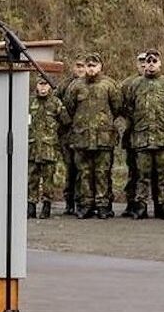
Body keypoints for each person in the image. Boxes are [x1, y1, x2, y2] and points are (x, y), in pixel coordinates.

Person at [119, 49, 164, 219]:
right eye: (148, 62)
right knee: (142, 175)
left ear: (160, 64)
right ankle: (141, 206)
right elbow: (127, 107)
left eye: (155, 62)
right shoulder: (134, 85)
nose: (151, 65)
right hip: (142, 138)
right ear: (144, 64)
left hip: (163, 138)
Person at [64, 52, 121, 218]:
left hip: (104, 138)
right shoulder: (75, 86)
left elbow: (117, 107)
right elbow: (69, 106)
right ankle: (85, 205)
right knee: (84, 172)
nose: (91, 69)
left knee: (103, 172)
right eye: (88, 65)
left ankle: (103, 205)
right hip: (81, 137)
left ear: (100, 67)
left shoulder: (110, 85)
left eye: (94, 65)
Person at [28, 76, 69, 218]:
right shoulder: (29, 102)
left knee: (48, 179)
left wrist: (55, 137)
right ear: (36, 85)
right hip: (32, 146)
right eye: (41, 84)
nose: (43, 88)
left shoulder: (56, 103)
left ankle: (46, 205)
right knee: (31, 178)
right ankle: (31, 205)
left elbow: (65, 122)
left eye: (46, 84)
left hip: (49, 148)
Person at [118, 53, 148, 218]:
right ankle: (131, 204)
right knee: (133, 172)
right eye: (141, 61)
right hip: (133, 135)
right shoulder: (127, 84)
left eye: (146, 61)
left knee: (152, 174)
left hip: (154, 136)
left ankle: (157, 206)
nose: (144, 65)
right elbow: (119, 105)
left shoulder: (162, 83)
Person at [57, 57, 88, 216]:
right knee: (70, 169)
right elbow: (55, 104)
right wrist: (65, 119)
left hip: (85, 134)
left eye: (84, 66)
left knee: (84, 170)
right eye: (78, 66)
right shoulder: (65, 85)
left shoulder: (92, 85)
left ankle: (83, 202)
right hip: (68, 135)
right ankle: (69, 202)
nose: (81, 69)